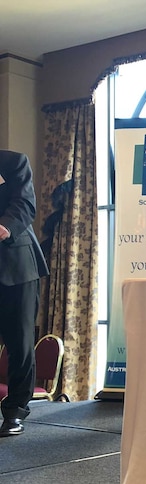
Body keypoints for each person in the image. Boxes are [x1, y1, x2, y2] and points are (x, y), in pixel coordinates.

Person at [0, 150, 50, 437]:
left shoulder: (13, 162)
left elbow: (24, 204)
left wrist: (4, 227)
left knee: (19, 343)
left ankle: (15, 412)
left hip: (16, 267)